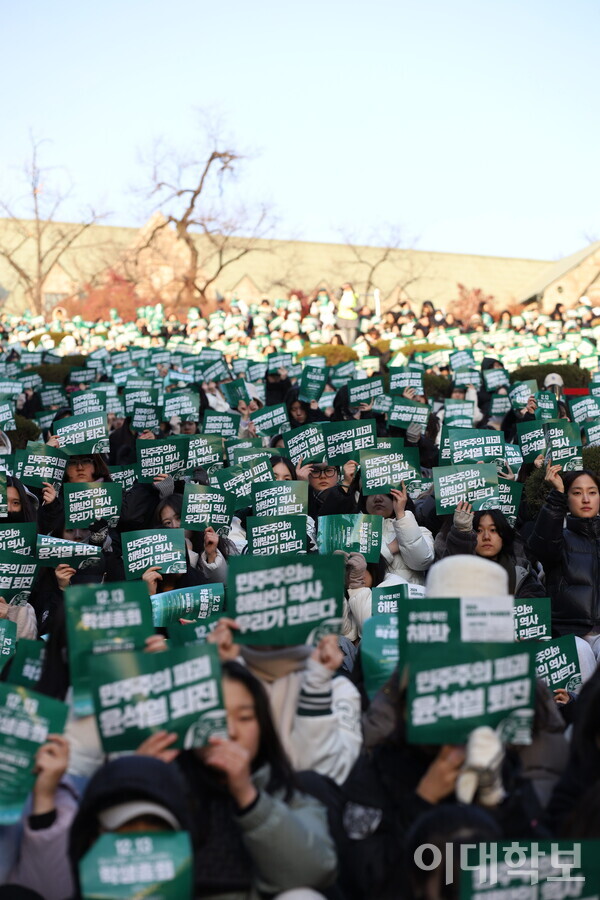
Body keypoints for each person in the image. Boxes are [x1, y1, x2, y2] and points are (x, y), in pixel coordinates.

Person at [140, 661, 338, 898]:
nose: (232, 731)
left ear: (262, 726)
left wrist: (248, 797)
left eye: (244, 718)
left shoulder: (287, 793)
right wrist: (140, 784)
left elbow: (314, 872)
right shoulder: (165, 786)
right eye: (218, 718)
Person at [528, 464, 600, 655]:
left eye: (592, 492)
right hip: (569, 634)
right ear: (567, 499)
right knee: (580, 651)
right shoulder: (559, 538)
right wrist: (556, 495)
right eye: (577, 493)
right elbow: (542, 545)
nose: (586, 499)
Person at [439, 503, 545, 598]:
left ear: (503, 535)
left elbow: (534, 607)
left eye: (493, 530)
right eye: (479, 530)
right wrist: (461, 533)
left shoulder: (521, 570)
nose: (486, 537)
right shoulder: (457, 568)